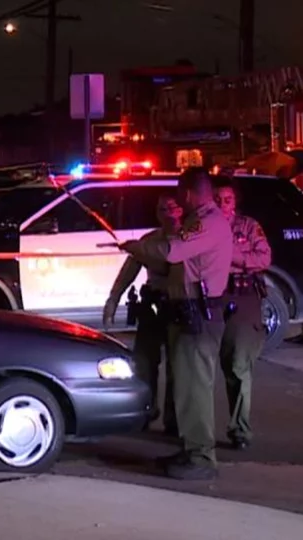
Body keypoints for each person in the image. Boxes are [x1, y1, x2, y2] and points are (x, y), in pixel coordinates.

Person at [120, 167, 233, 481]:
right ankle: (190, 449)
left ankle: (201, 457)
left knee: (195, 388)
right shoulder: (200, 222)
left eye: (181, 193)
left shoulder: (207, 224)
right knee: (185, 387)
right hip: (186, 313)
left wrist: (137, 247)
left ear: (188, 192)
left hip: (198, 315)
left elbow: (172, 251)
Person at [102, 194, 183, 435]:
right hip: (153, 305)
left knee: (178, 367)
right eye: (161, 208)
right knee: (145, 363)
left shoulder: (187, 239)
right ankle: (147, 412)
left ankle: (174, 419)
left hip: (179, 306)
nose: (167, 212)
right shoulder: (150, 240)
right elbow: (129, 270)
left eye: (172, 206)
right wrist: (113, 300)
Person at [213, 178, 271, 450]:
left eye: (228, 200)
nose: (222, 205)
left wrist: (232, 256)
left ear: (235, 203)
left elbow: (263, 258)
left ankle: (240, 430)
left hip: (243, 296)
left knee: (238, 365)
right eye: (217, 199)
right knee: (204, 364)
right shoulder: (203, 226)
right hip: (213, 299)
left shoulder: (248, 226)